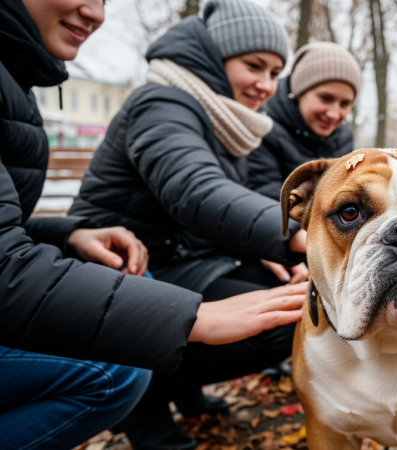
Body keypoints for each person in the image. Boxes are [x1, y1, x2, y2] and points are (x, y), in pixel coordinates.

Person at [0, 0, 305, 449]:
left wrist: (265, 246)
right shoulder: (162, 102)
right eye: (254, 66)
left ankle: (180, 389)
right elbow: (194, 190)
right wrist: (302, 234)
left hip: (170, 257)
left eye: (275, 72)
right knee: (272, 319)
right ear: (213, 58)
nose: (266, 83)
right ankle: (146, 407)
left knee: (285, 291)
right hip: (133, 265)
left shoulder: (225, 117)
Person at [248, 42, 360, 200]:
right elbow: (265, 198)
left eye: (345, 104)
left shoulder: (343, 137)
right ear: (299, 91)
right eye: (325, 98)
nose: (334, 115)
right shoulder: (262, 128)